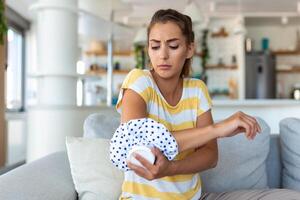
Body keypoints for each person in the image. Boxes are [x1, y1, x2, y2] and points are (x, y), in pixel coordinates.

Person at [115, 9, 300, 200]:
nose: (162, 55)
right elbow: (136, 142)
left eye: (173, 46)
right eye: (155, 46)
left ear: (189, 49)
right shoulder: (139, 80)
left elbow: (210, 155)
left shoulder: (197, 90)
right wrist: (217, 129)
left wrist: (171, 168)